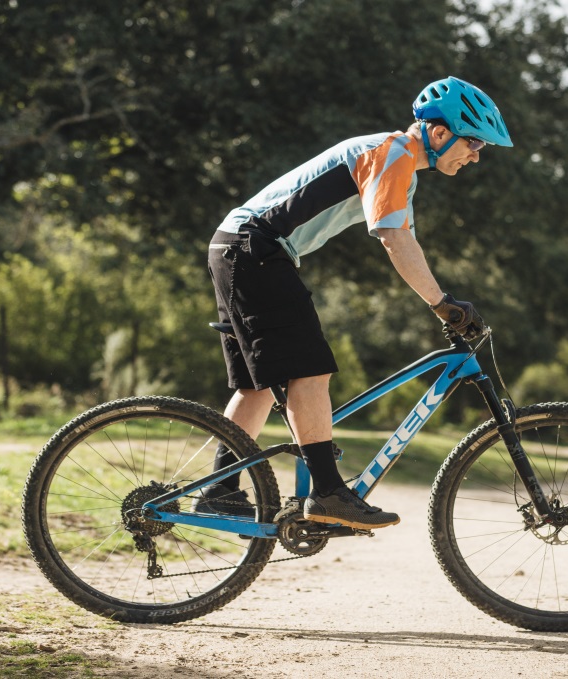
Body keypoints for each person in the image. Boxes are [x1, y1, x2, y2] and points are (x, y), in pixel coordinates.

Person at [199, 76, 512, 530]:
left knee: (258, 386)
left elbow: (407, 241)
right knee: (310, 370)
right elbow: (393, 238)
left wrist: (441, 300)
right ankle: (328, 493)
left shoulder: (398, 164)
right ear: (440, 133)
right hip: (254, 249)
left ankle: (218, 493)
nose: (477, 156)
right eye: (474, 142)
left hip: (237, 247)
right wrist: (441, 303)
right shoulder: (394, 154)